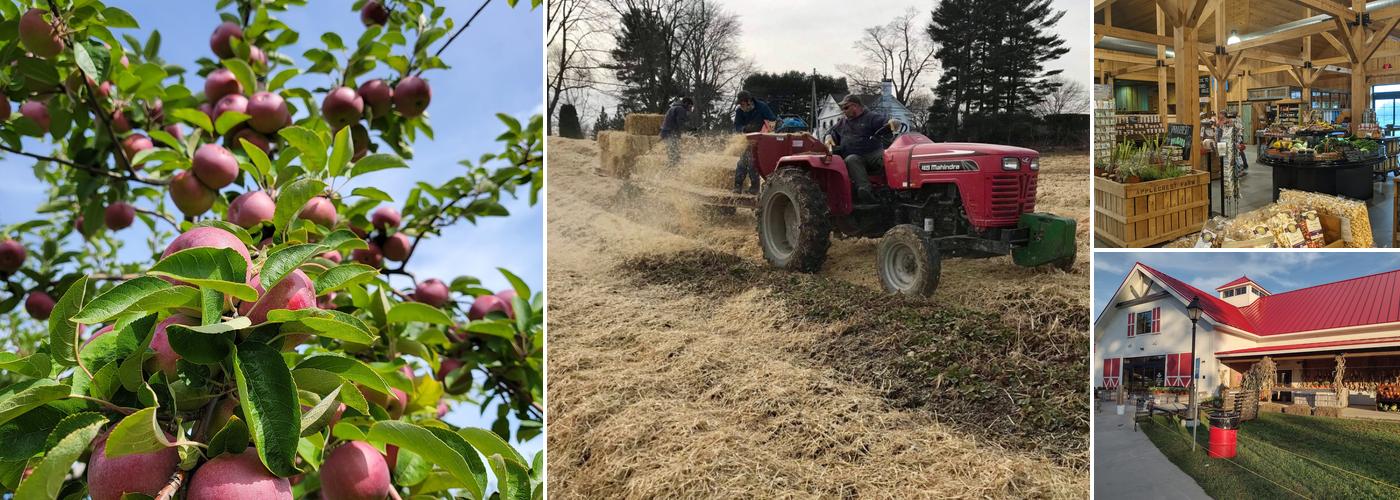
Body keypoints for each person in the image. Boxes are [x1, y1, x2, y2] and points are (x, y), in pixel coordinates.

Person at [824, 95, 891, 203]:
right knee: (851, 159)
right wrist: (828, 137)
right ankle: (865, 191)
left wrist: (893, 123)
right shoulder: (842, 123)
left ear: (855, 106)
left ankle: (896, 191)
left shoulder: (871, 117)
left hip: (873, 154)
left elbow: (886, 124)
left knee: (890, 158)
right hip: (856, 157)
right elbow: (831, 132)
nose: (843, 111)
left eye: (845, 108)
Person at [731, 91, 778, 194]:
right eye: (740, 104)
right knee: (742, 162)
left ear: (749, 101)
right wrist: (744, 128)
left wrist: (769, 128)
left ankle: (754, 189)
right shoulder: (740, 111)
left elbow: (773, 120)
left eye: (742, 103)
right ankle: (737, 187)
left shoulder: (762, 107)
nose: (741, 106)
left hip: (761, 139)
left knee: (753, 163)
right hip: (747, 139)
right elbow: (737, 126)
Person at [660, 96, 694, 169]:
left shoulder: (673, 107)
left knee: (672, 154)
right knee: (675, 156)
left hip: (666, 132)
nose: (690, 109)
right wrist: (691, 129)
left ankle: (670, 169)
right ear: (686, 103)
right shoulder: (681, 109)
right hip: (670, 133)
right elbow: (681, 123)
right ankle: (670, 171)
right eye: (690, 106)